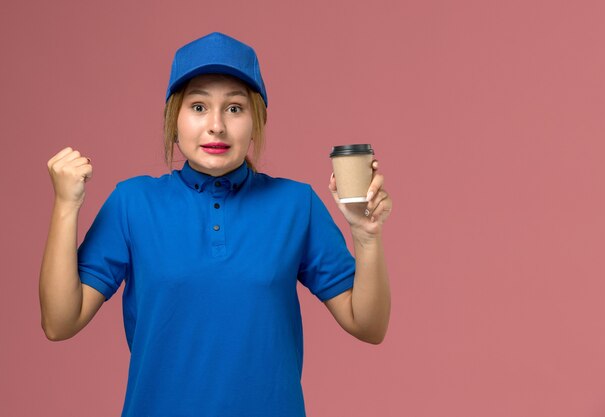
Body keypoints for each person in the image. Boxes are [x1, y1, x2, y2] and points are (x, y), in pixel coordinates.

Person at [39, 32, 392, 417]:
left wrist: (366, 236)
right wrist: (65, 205)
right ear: (174, 120)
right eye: (198, 106)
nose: (217, 126)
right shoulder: (133, 203)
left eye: (235, 108)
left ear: (256, 123)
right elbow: (60, 322)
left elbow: (368, 326)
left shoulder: (296, 204)